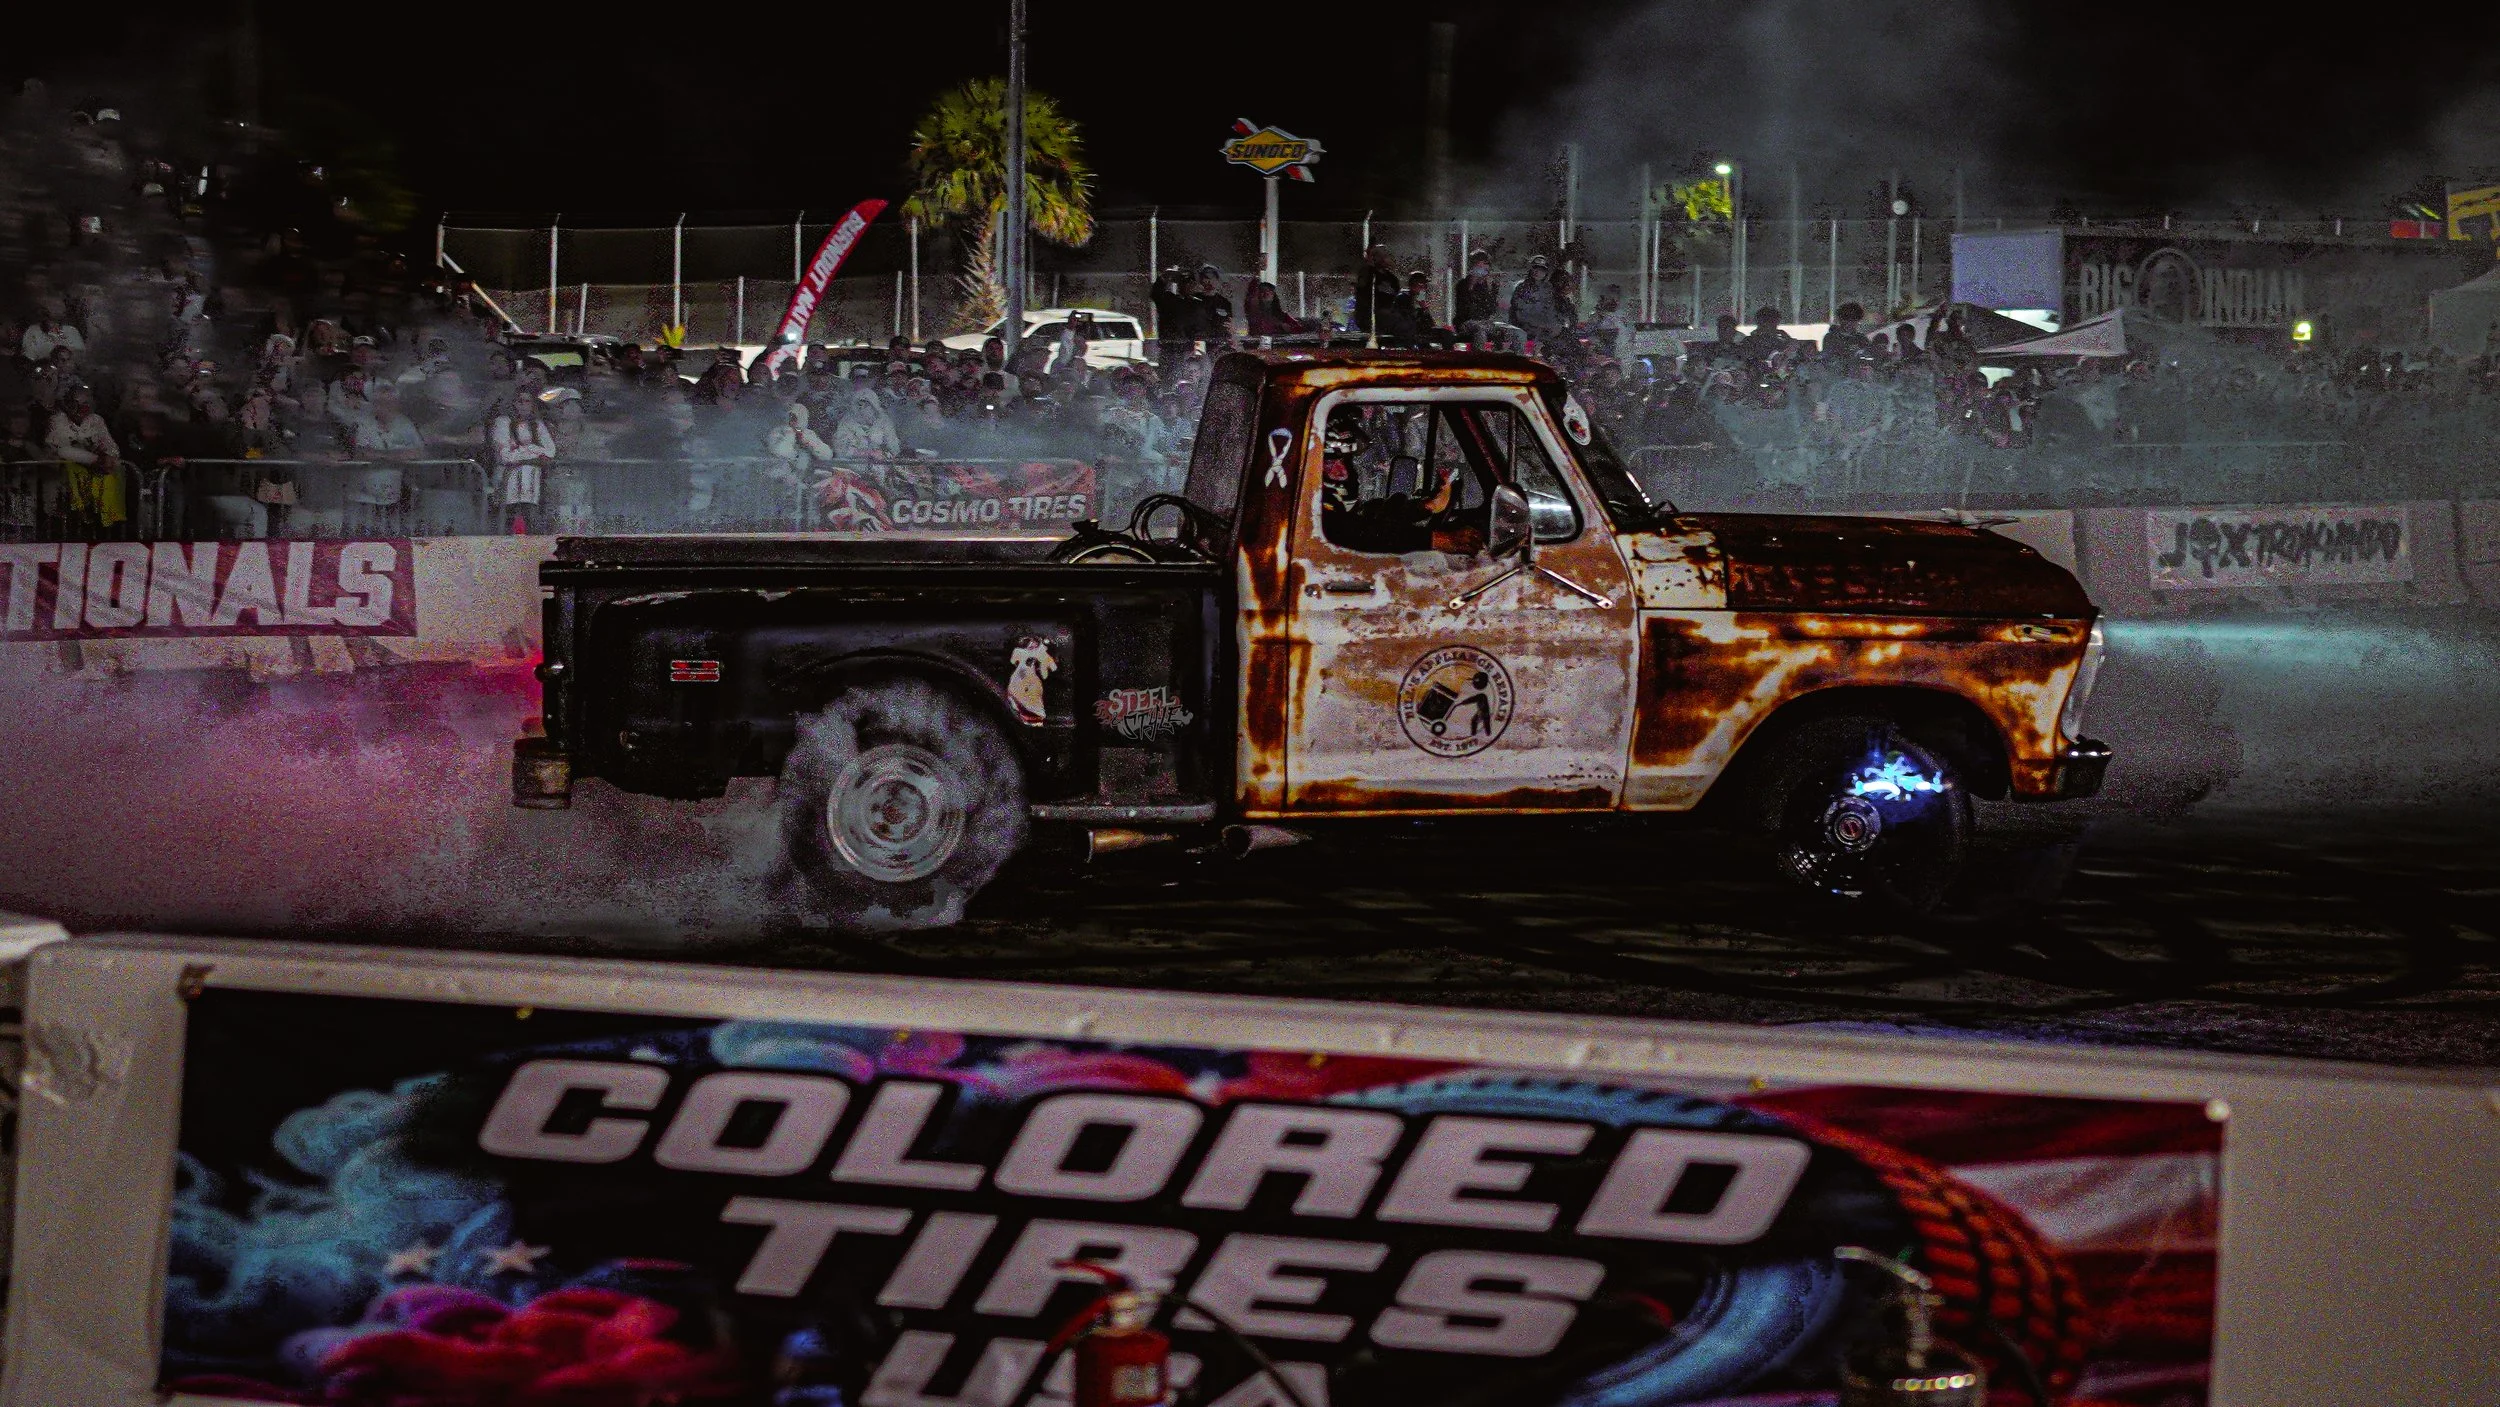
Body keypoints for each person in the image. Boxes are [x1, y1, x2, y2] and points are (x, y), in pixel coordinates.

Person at [46, 384, 125, 536]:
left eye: (85, 404)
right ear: (68, 402)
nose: (81, 408)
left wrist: (108, 457)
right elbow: (63, 450)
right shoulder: (57, 420)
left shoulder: (96, 420)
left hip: (94, 477)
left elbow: (112, 448)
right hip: (64, 483)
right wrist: (97, 459)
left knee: (116, 471)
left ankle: (107, 524)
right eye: (76, 403)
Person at [489, 389, 557, 534]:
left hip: (533, 484)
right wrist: (534, 451)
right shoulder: (502, 422)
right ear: (513, 403)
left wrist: (521, 451)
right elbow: (505, 456)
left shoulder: (537, 424)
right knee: (507, 524)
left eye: (528, 401)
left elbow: (550, 451)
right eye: (520, 401)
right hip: (507, 482)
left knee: (531, 524)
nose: (524, 405)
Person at [1508, 255, 1568, 348]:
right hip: (1525, 327)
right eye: (1535, 268)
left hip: (1543, 327)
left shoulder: (1548, 289)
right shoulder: (1523, 288)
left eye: (1542, 270)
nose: (1537, 272)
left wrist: (1555, 324)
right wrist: (1541, 324)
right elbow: (1520, 314)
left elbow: (1551, 310)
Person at [1353, 243, 1400, 338]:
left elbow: (1396, 297)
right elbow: (1362, 290)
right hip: (1370, 317)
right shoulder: (1368, 274)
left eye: (1386, 256)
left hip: (1387, 319)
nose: (1385, 258)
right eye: (1380, 256)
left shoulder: (1392, 279)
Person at [1455, 249, 1501, 344]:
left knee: (1510, 331)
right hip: (1466, 322)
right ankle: (1480, 356)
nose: (1482, 267)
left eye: (1484, 264)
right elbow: (1465, 310)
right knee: (1480, 331)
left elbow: (1492, 309)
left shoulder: (1491, 285)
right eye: (1478, 264)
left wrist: (1489, 288)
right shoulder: (1463, 284)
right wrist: (1471, 286)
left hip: (1486, 322)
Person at [1151, 265, 1191, 369]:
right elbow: (1156, 294)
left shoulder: (1198, 302)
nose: (1187, 286)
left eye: (1190, 282)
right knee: (1168, 372)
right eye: (1184, 282)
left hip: (1190, 349)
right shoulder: (1170, 301)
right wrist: (1165, 277)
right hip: (1169, 346)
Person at [1188, 265, 1233, 352]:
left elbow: (1229, 324)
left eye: (1211, 278)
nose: (1208, 281)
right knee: (1199, 363)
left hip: (1220, 344)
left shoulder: (1224, 302)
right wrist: (1197, 349)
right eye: (1205, 278)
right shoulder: (1194, 300)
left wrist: (1231, 331)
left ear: (1217, 280)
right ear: (1201, 281)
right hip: (1199, 344)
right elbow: (1190, 326)